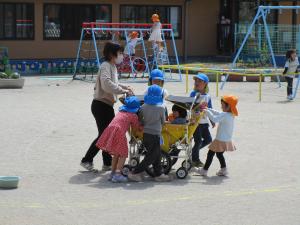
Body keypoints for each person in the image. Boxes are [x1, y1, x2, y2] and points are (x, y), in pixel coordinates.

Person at [80, 42, 134, 172]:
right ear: (111, 54)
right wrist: (123, 91)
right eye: (120, 53)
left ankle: (107, 163)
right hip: (101, 105)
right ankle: (87, 159)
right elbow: (106, 84)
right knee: (104, 134)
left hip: (106, 105)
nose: (122, 55)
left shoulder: (112, 66)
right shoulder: (105, 65)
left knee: (107, 134)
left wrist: (124, 87)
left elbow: (113, 82)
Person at [128, 85, 171, 182]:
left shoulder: (143, 106)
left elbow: (140, 120)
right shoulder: (161, 107)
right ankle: (135, 172)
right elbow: (163, 121)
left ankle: (158, 173)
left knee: (156, 153)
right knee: (152, 156)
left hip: (146, 134)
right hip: (155, 134)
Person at [96, 96, 141, 183]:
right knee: (123, 154)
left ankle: (112, 173)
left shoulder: (121, 112)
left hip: (111, 130)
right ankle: (117, 175)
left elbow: (127, 126)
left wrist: (130, 134)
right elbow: (135, 128)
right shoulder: (133, 115)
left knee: (116, 154)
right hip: (119, 132)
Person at [197, 95, 238, 177]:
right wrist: (208, 109)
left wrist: (206, 111)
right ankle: (224, 169)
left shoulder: (225, 115)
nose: (221, 106)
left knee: (210, 153)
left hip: (220, 139)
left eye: (222, 105)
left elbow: (215, 119)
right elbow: (218, 112)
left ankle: (204, 170)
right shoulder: (229, 114)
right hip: (225, 139)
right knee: (219, 154)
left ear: (228, 106)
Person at [190, 73, 214, 168]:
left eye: (199, 81)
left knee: (208, 139)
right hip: (196, 123)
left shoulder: (208, 96)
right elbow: (189, 107)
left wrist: (212, 120)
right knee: (198, 141)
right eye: (196, 81)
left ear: (205, 84)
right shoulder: (193, 94)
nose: (197, 82)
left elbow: (210, 109)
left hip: (204, 123)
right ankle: (195, 160)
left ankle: (194, 152)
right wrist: (197, 104)